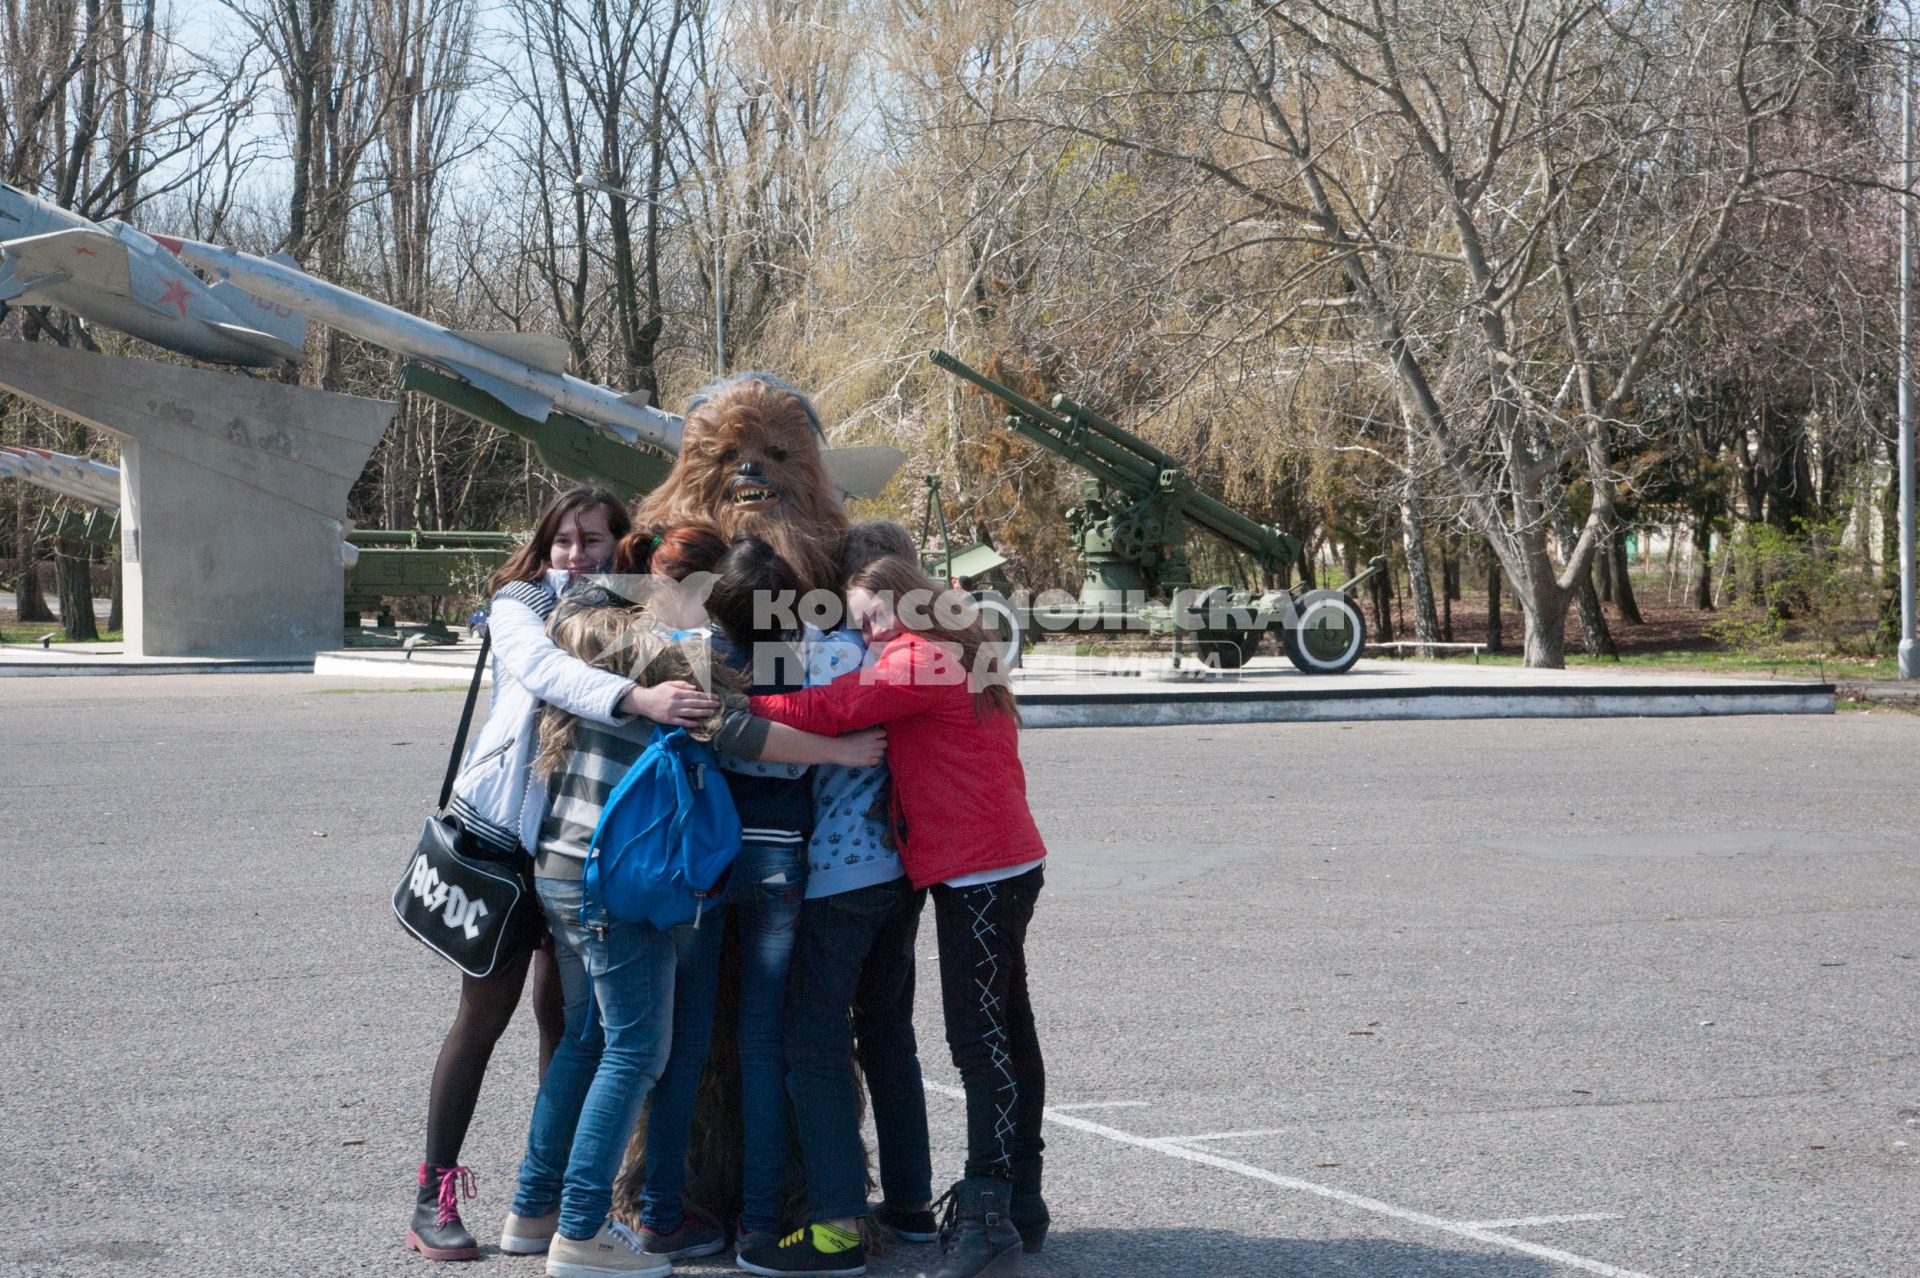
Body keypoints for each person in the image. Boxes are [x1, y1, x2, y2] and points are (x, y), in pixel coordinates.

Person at [498, 524, 884, 1278]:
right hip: (664, 871)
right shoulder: (694, 657)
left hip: (597, 861)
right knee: (675, 1046)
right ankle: (629, 1228)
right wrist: (840, 748)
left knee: (614, 1041)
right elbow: (738, 729)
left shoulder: (585, 630)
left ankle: (569, 1209)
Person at [408, 487, 720, 1263]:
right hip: (506, 838)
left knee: (570, 1027)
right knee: (482, 1020)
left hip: (577, 846)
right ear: (543, 546)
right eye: (562, 540)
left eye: (590, 540)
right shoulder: (520, 602)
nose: (573, 554)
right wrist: (639, 695)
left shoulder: (623, 610)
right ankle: (435, 1191)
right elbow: (546, 673)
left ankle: (541, 1202)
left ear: (618, 544)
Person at [749, 556, 1047, 1278]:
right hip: (1000, 862)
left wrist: (740, 705)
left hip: (978, 870)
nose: (868, 633)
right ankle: (1019, 1204)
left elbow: (833, 709)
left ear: (905, 603)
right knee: (1008, 1031)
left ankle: (985, 1220)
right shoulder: (957, 650)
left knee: (980, 1044)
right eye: (860, 624)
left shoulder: (920, 659)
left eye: (873, 617)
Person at [735, 522, 938, 1278]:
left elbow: (776, 746)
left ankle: (837, 1227)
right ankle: (911, 1206)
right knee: (888, 1035)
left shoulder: (821, 651)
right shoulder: (907, 653)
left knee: (813, 1045)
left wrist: (739, 711)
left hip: (837, 876)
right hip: (899, 872)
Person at [634, 535, 822, 1265]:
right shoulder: (793, 656)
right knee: (762, 1044)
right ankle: (761, 1222)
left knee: (684, 1039)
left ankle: (661, 1212)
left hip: (706, 856)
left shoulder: (696, 654)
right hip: (781, 858)